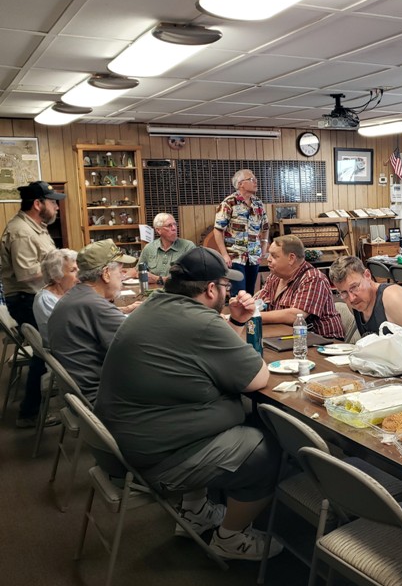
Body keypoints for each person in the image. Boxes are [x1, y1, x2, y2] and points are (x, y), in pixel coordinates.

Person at [95, 247, 281, 562]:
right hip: (154, 458)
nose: (229, 292)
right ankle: (229, 537)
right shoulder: (201, 322)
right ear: (211, 289)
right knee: (266, 449)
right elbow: (256, 378)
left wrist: (235, 322)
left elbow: (213, 363)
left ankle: (195, 511)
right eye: (226, 286)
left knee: (240, 414)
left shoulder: (154, 305)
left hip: (125, 440)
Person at [0, 181, 64, 428]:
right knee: (45, 351)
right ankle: (29, 413)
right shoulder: (21, 232)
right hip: (27, 299)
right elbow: (26, 274)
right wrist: (61, 268)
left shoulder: (37, 226)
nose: (56, 207)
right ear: (38, 204)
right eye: (52, 202)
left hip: (37, 296)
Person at [48, 240, 140, 404]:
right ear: (106, 274)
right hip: (101, 400)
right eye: (120, 270)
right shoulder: (94, 305)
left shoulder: (77, 296)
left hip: (82, 395)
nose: (123, 275)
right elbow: (141, 347)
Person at [329, 256, 402, 357]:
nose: (351, 298)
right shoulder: (355, 303)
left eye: (355, 287)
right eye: (343, 293)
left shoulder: (393, 299)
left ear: (367, 275)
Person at [255, 235, 344, 339]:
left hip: (324, 343)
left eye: (274, 256)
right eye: (269, 254)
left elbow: (295, 315)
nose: (268, 259)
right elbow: (257, 303)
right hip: (289, 338)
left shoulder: (313, 279)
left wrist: (254, 316)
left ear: (291, 258)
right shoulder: (275, 277)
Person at [213, 169, 268, 295]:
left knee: (249, 294)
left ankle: (248, 315)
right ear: (240, 184)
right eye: (251, 179)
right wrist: (224, 254)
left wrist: (264, 246)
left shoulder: (258, 203)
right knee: (238, 294)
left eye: (255, 179)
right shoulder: (229, 203)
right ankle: (236, 315)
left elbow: (265, 227)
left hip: (254, 256)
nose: (256, 182)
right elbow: (217, 229)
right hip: (235, 257)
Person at [32, 248, 78, 347]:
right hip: (67, 353)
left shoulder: (69, 292)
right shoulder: (45, 300)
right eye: (73, 270)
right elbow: (69, 332)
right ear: (57, 276)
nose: (79, 274)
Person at [139, 213, 195, 286]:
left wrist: (158, 279)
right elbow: (138, 270)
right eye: (169, 225)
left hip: (178, 293)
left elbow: (192, 277)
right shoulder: (149, 248)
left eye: (175, 224)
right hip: (153, 292)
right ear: (158, 230)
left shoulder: (188, 247)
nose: (174, 228)